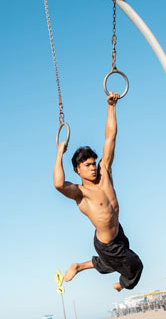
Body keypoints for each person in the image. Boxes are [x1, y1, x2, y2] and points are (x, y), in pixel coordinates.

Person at [56, 91, 143, 292]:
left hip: (118, 233)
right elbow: (59, 184)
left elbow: (110, 137)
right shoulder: (80, 193)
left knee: (111, 264)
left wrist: (111, 107)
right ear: (78, 170)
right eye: (87, 165)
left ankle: (78, 266)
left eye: (93, 163)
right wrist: (60, 152)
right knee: (135, 265)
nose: (93, 167)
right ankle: (121, 285)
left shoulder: (105, 173)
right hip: (107, 244)